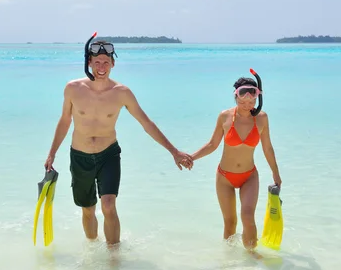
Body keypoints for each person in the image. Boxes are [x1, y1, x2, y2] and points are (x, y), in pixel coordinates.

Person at [44, 33, 193, 248]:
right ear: (89, 63)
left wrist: (174, 151)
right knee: (88, 209)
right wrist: (52, 153)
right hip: (80, 156)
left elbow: (146, 123)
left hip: (108, 154)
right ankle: (93, 250)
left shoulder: (122, 92)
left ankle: (114, 258)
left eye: (106, 62)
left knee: (108, 204)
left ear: (113, 63)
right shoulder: (73, 89)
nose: (102, 66)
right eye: (97, 62)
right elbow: (65, 121)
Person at [190, 69, 281, 258]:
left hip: (249, 176)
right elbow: (212, 144)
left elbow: (268, 148)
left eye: (251, 101)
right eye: (242, 101)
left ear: (257, 98)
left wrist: (276, 174)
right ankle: (229, 263)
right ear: (235, 97)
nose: (247, 105)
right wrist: (192, 157)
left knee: (247, 217)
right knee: (230, 223)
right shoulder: (225, 117)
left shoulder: (262, 118)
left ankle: (252, 257)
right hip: (225, 177)